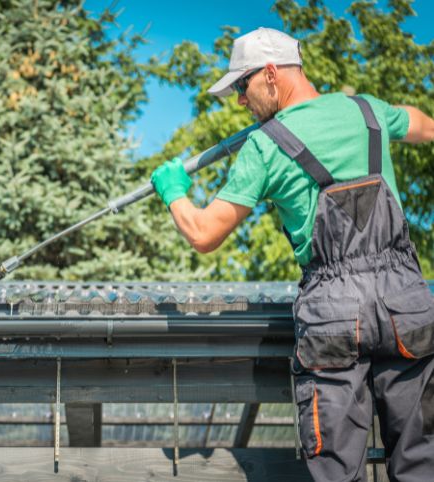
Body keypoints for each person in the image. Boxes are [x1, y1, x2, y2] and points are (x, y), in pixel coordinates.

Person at [151, 27, 434, 482]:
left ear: (269, 74)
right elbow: (423, 125)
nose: (241, 101)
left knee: (336, 471)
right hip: (407, 302)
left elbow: (204, 234)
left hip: (334, 315)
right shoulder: (368, 111)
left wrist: (174, 193)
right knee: (424, 462)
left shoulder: (265, 145)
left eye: (242, 87)